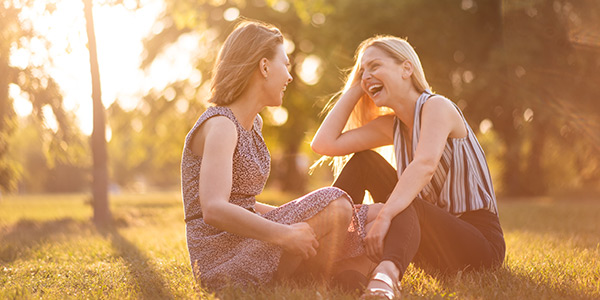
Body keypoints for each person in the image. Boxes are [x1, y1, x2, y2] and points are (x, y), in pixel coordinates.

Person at [180, 20, 374, 292]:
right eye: (285, 64)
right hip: (222, 261)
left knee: (362, 212)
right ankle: (324, 272)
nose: (290, 76)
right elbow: (213, 209)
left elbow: (244, 204)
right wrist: (286, 233)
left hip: (247, 241)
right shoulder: (222, 125)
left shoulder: (252, 124)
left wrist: (301, 216)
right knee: (337, 204)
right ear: (264, 66)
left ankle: (334, 272)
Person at [311, 35, 506, 299]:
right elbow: (324, 144)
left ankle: (385, 278)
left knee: (404, 199)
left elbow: (424, 165)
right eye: (362, 71)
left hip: (478, 244)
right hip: (428, 240)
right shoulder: (392, 126)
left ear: (406, 68)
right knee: (364, 161)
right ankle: (321, 247)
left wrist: (383, 217)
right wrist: (356, 87)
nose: (367, 75)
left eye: (375, 66)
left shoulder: (438, 106)